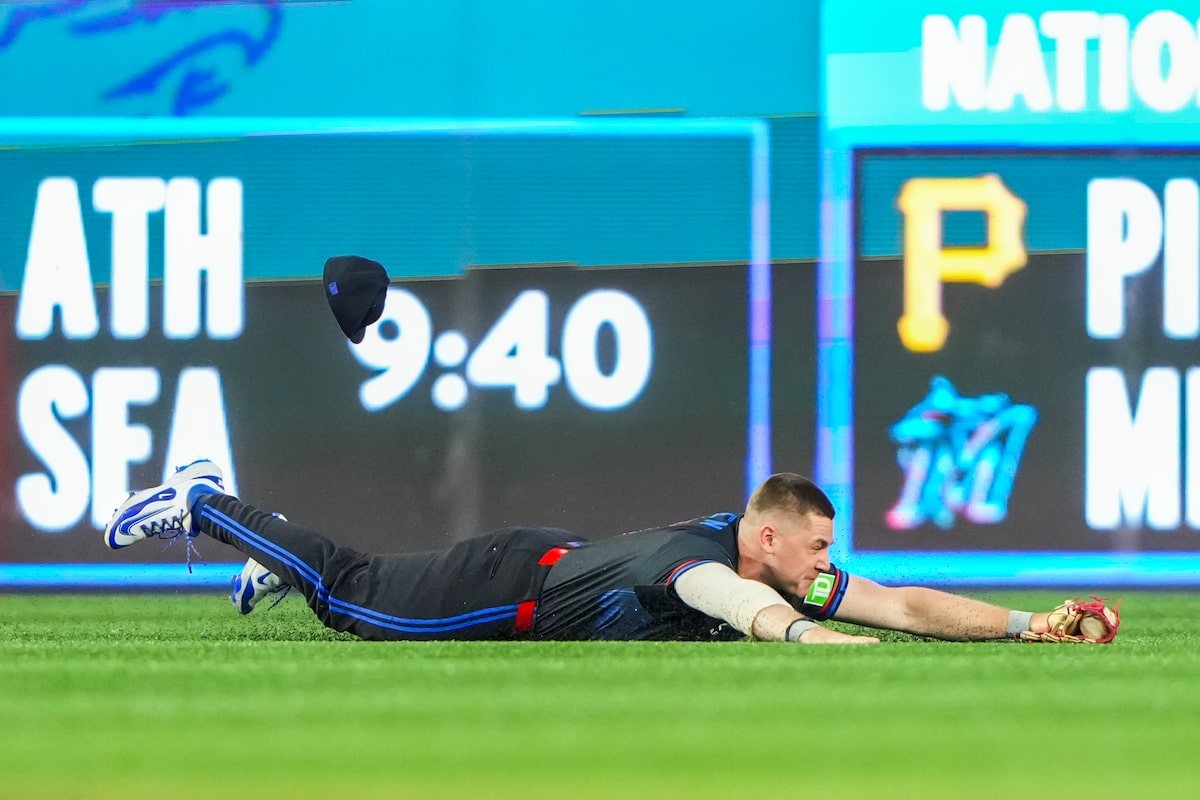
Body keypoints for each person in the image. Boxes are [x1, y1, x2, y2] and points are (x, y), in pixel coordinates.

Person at [103, 462, 1119, 644]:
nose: (827, 565)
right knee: (353, 595)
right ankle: (209, 500)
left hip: (552, 564)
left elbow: (900, 602)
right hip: (508, 588)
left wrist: (1033, 624)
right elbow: (733, 604)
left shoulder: (766, 553)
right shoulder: (711, 561)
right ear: (770, 533)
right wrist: (812, 639)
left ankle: (269, 553)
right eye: (817, 547)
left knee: (343, 584)